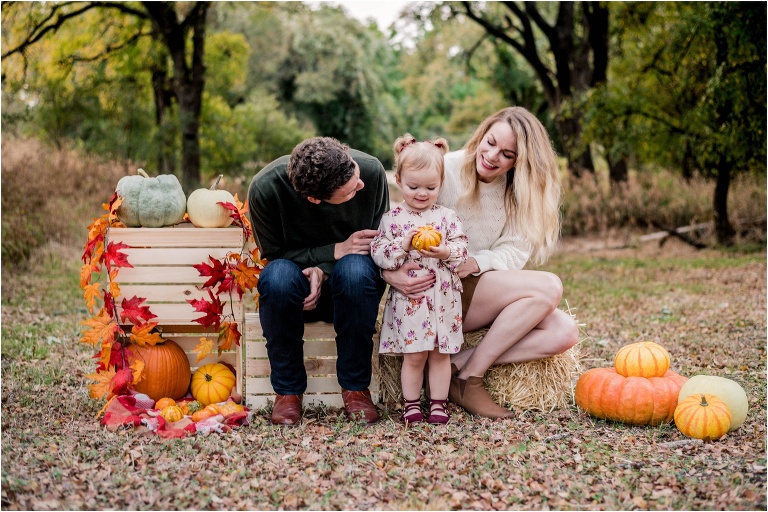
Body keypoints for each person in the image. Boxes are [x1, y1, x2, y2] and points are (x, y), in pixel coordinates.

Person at [381, 107, 580, 418]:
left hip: (475, 277)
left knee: (564, 332)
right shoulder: (445, 168)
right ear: (482, 134)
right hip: (441, 288)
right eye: (490, 142)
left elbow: (514, 252)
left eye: (507, 154)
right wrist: (390, 272)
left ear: (520, 161)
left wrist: (476, 262)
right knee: (549, 286)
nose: (491, 156)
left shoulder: (519, 190)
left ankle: (462, 366)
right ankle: (469, 381)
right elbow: (402, 216)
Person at [247, 137, 388, 426]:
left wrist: (323, 269)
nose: (360, 187)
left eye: (356, 177)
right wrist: (332, 252)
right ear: (314, 199)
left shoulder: (371, 172)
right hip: (296, 290)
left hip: (355, 289)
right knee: (276, 278)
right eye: (349, 193)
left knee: (355, 270)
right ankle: (287, 392)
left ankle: (356, 388)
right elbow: (274, 254)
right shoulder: (265, 189)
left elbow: (377, 244)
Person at [371, 135, 468, 424]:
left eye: (430, 187)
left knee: (440, 356)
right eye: (414, 187)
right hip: (411, 302)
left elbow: (462, 250)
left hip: (443, 301)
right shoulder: (392, 219)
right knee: (414, 356)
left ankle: (438, 403)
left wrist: (446, 251)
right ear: (399, 180)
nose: (422, 193)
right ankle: (411, 404)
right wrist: (403, 245)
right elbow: (379, 252)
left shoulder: (448, 217)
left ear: (441, 183)